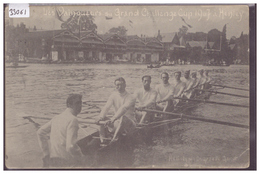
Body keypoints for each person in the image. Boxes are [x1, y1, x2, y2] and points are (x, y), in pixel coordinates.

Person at [37, 94, 84, 168]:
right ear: (69, 104)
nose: (80, 106)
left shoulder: (57, 117)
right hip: (67, 162)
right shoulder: (73, 119)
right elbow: (70, 147)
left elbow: (40, 132)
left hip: (54, 159)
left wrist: (46, 154)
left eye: (81, 103)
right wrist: (81, 157)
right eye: (77, 103)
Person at [96, 77, 136, 143]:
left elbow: (124, 108)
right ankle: (102, 140)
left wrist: (113, 119)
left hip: (130, 123)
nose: (119, 87)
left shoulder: (131, 97)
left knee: (123, 118)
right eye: (117, 85)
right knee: (101, 118)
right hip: (117, 122)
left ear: (125, 85)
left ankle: (113, 140)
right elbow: (106, 107)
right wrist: (101, 117)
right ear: (115, 86)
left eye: (121, 85)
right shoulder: (113, 95)